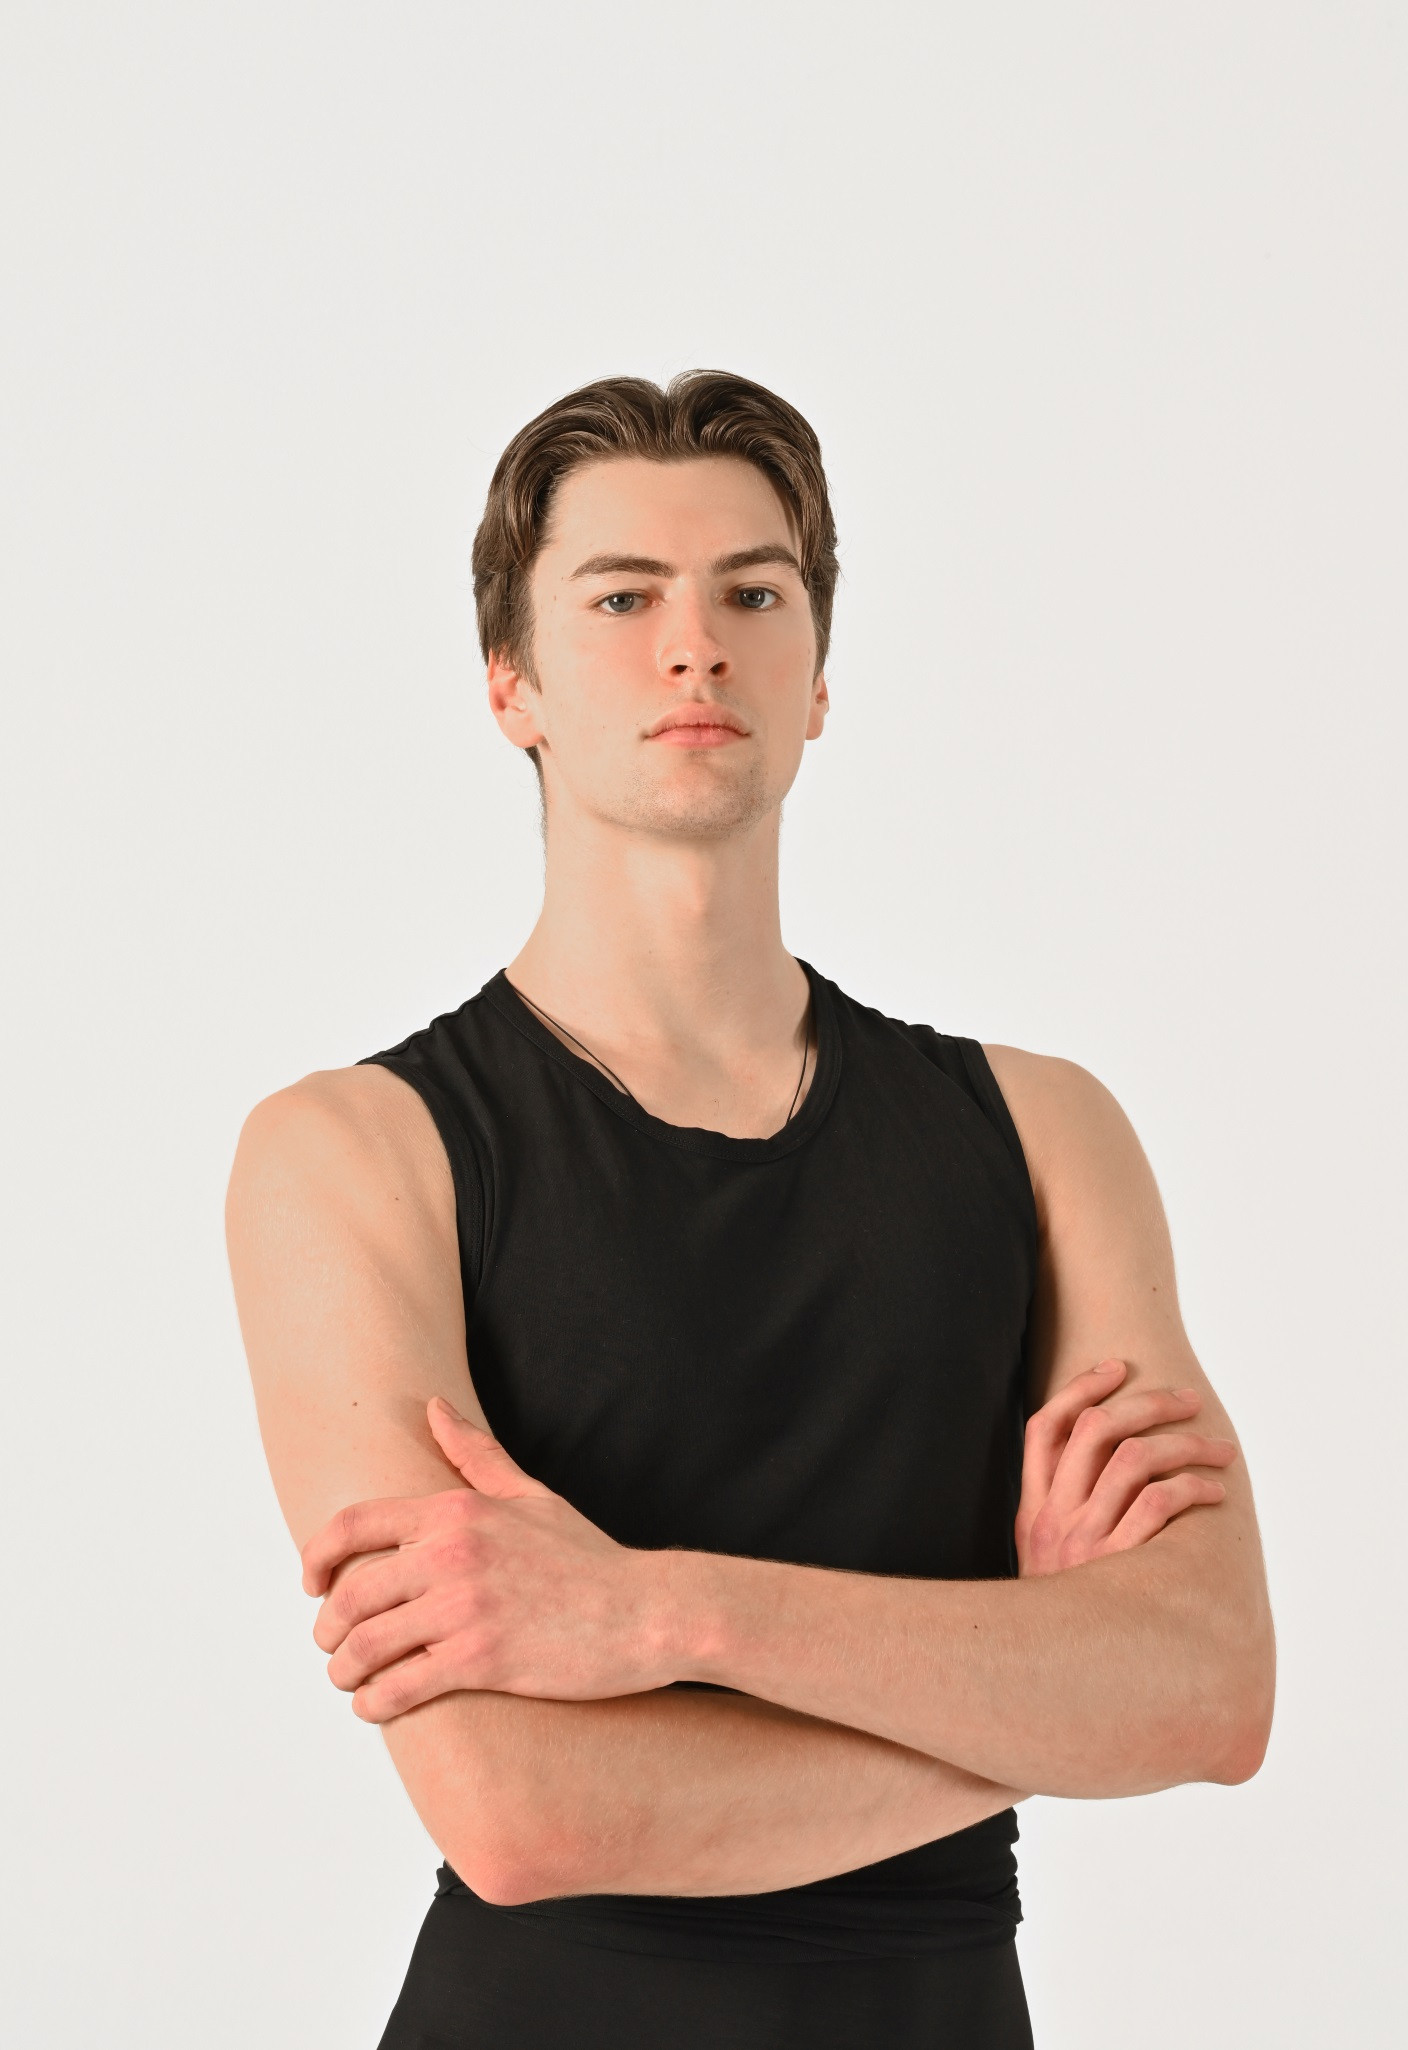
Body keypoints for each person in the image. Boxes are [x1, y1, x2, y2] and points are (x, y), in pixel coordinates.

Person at [225, 371, 1274, 2049]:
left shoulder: (1045, 1134)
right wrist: (1041, 1681)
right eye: (622, 596)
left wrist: (654, 1611)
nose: (695, 646)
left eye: (753, 593)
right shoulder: (356, 1153)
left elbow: (1212, 1687)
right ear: (510, 682)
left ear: (820, 675)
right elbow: (520, 1812)